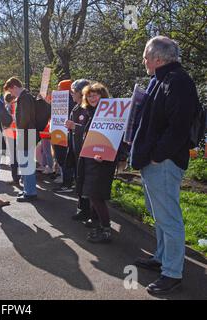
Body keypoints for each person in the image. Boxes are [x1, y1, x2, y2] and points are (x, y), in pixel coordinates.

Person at [131, 36, 200, 295]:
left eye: (146, 56)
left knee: (168, 218)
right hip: (155, 160)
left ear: (158, 58)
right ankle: (161, 257)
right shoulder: (161, 79)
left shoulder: (177, 81)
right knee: (159, 214)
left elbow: (179, 127)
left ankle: (172, 273)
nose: (144, 61)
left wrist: (157, 155)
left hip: (164, 161)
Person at [76, 82, 118, 243]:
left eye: (95, 95)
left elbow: (114, 137)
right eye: (89, 95)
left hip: (102, 161)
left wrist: (104, 154)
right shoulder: (90, 112)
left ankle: (106, 229)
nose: (92, 98)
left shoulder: (109, 113)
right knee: (93, 194)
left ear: (103, 95)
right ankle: (100, 225)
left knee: (96, 195)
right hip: (90, 159)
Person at [3, 77, 38, 202]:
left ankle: (30, 192)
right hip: (27, 134)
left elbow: (24, 119)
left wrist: (19, 129)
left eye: (11, 91)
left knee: (26, 164)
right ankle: (28, 190)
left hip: (25, 134)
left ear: (14, 87)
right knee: (25, 164)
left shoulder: (25, 98)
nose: (11, 94)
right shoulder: (25, 97)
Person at [64, 79, 92, 221]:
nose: (71, 94)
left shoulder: (89, 108)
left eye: (73, 92)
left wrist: (75, 127)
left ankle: (90, 213)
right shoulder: (76, 108)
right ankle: (82, 209)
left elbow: (92, 131)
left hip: (86, 153)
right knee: (79, 180)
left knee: (86, 183)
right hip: (76, 151)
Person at [52, 80, 76, 193]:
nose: (57, 90)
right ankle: (67, 182)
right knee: (62, 159)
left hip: (64, 135)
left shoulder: (71, 102)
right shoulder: (61, 101)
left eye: (59, 87)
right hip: (59, 134)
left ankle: (68, 184)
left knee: (65, 159)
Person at [3, 92, 20, 184]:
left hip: (9, 133)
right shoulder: (18, 105)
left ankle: (15, 178)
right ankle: (21, 176)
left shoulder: (7, 108)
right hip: (18, 133)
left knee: (13, 157)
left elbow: (5, 121)